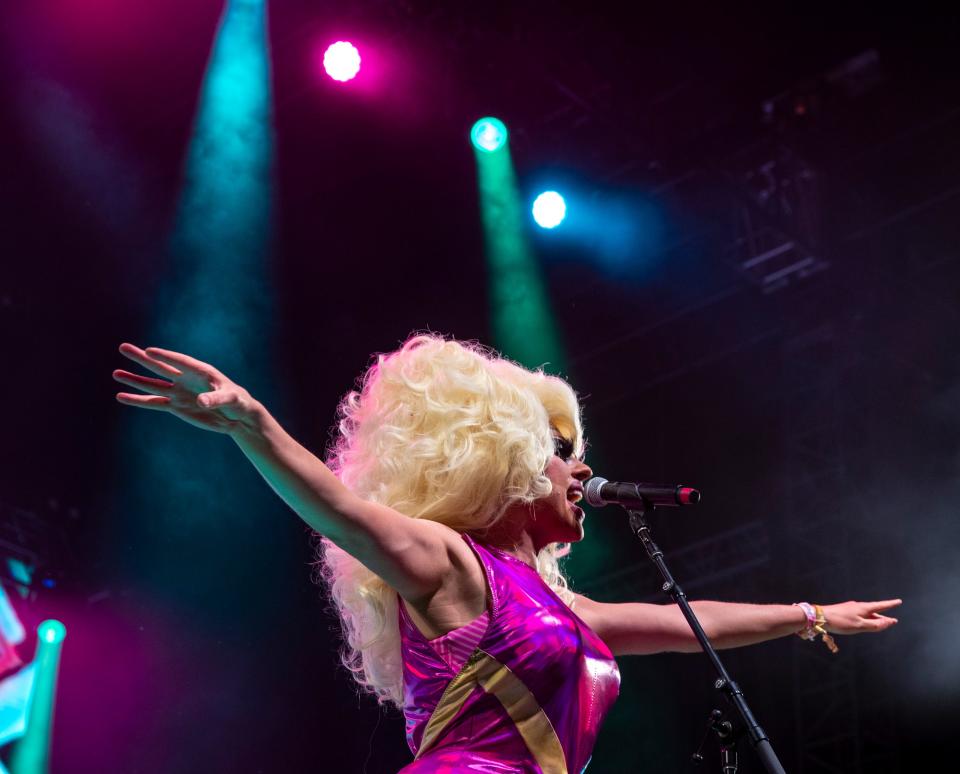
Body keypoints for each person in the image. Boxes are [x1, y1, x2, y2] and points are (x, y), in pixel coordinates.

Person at [113, 333, 900, 773]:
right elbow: (339, 508)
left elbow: (691, 623)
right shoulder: (452, 568)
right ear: (506, 457)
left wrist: (809, 615)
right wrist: (252, 423)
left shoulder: (564, 607)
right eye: (563, 452)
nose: (584, 469)